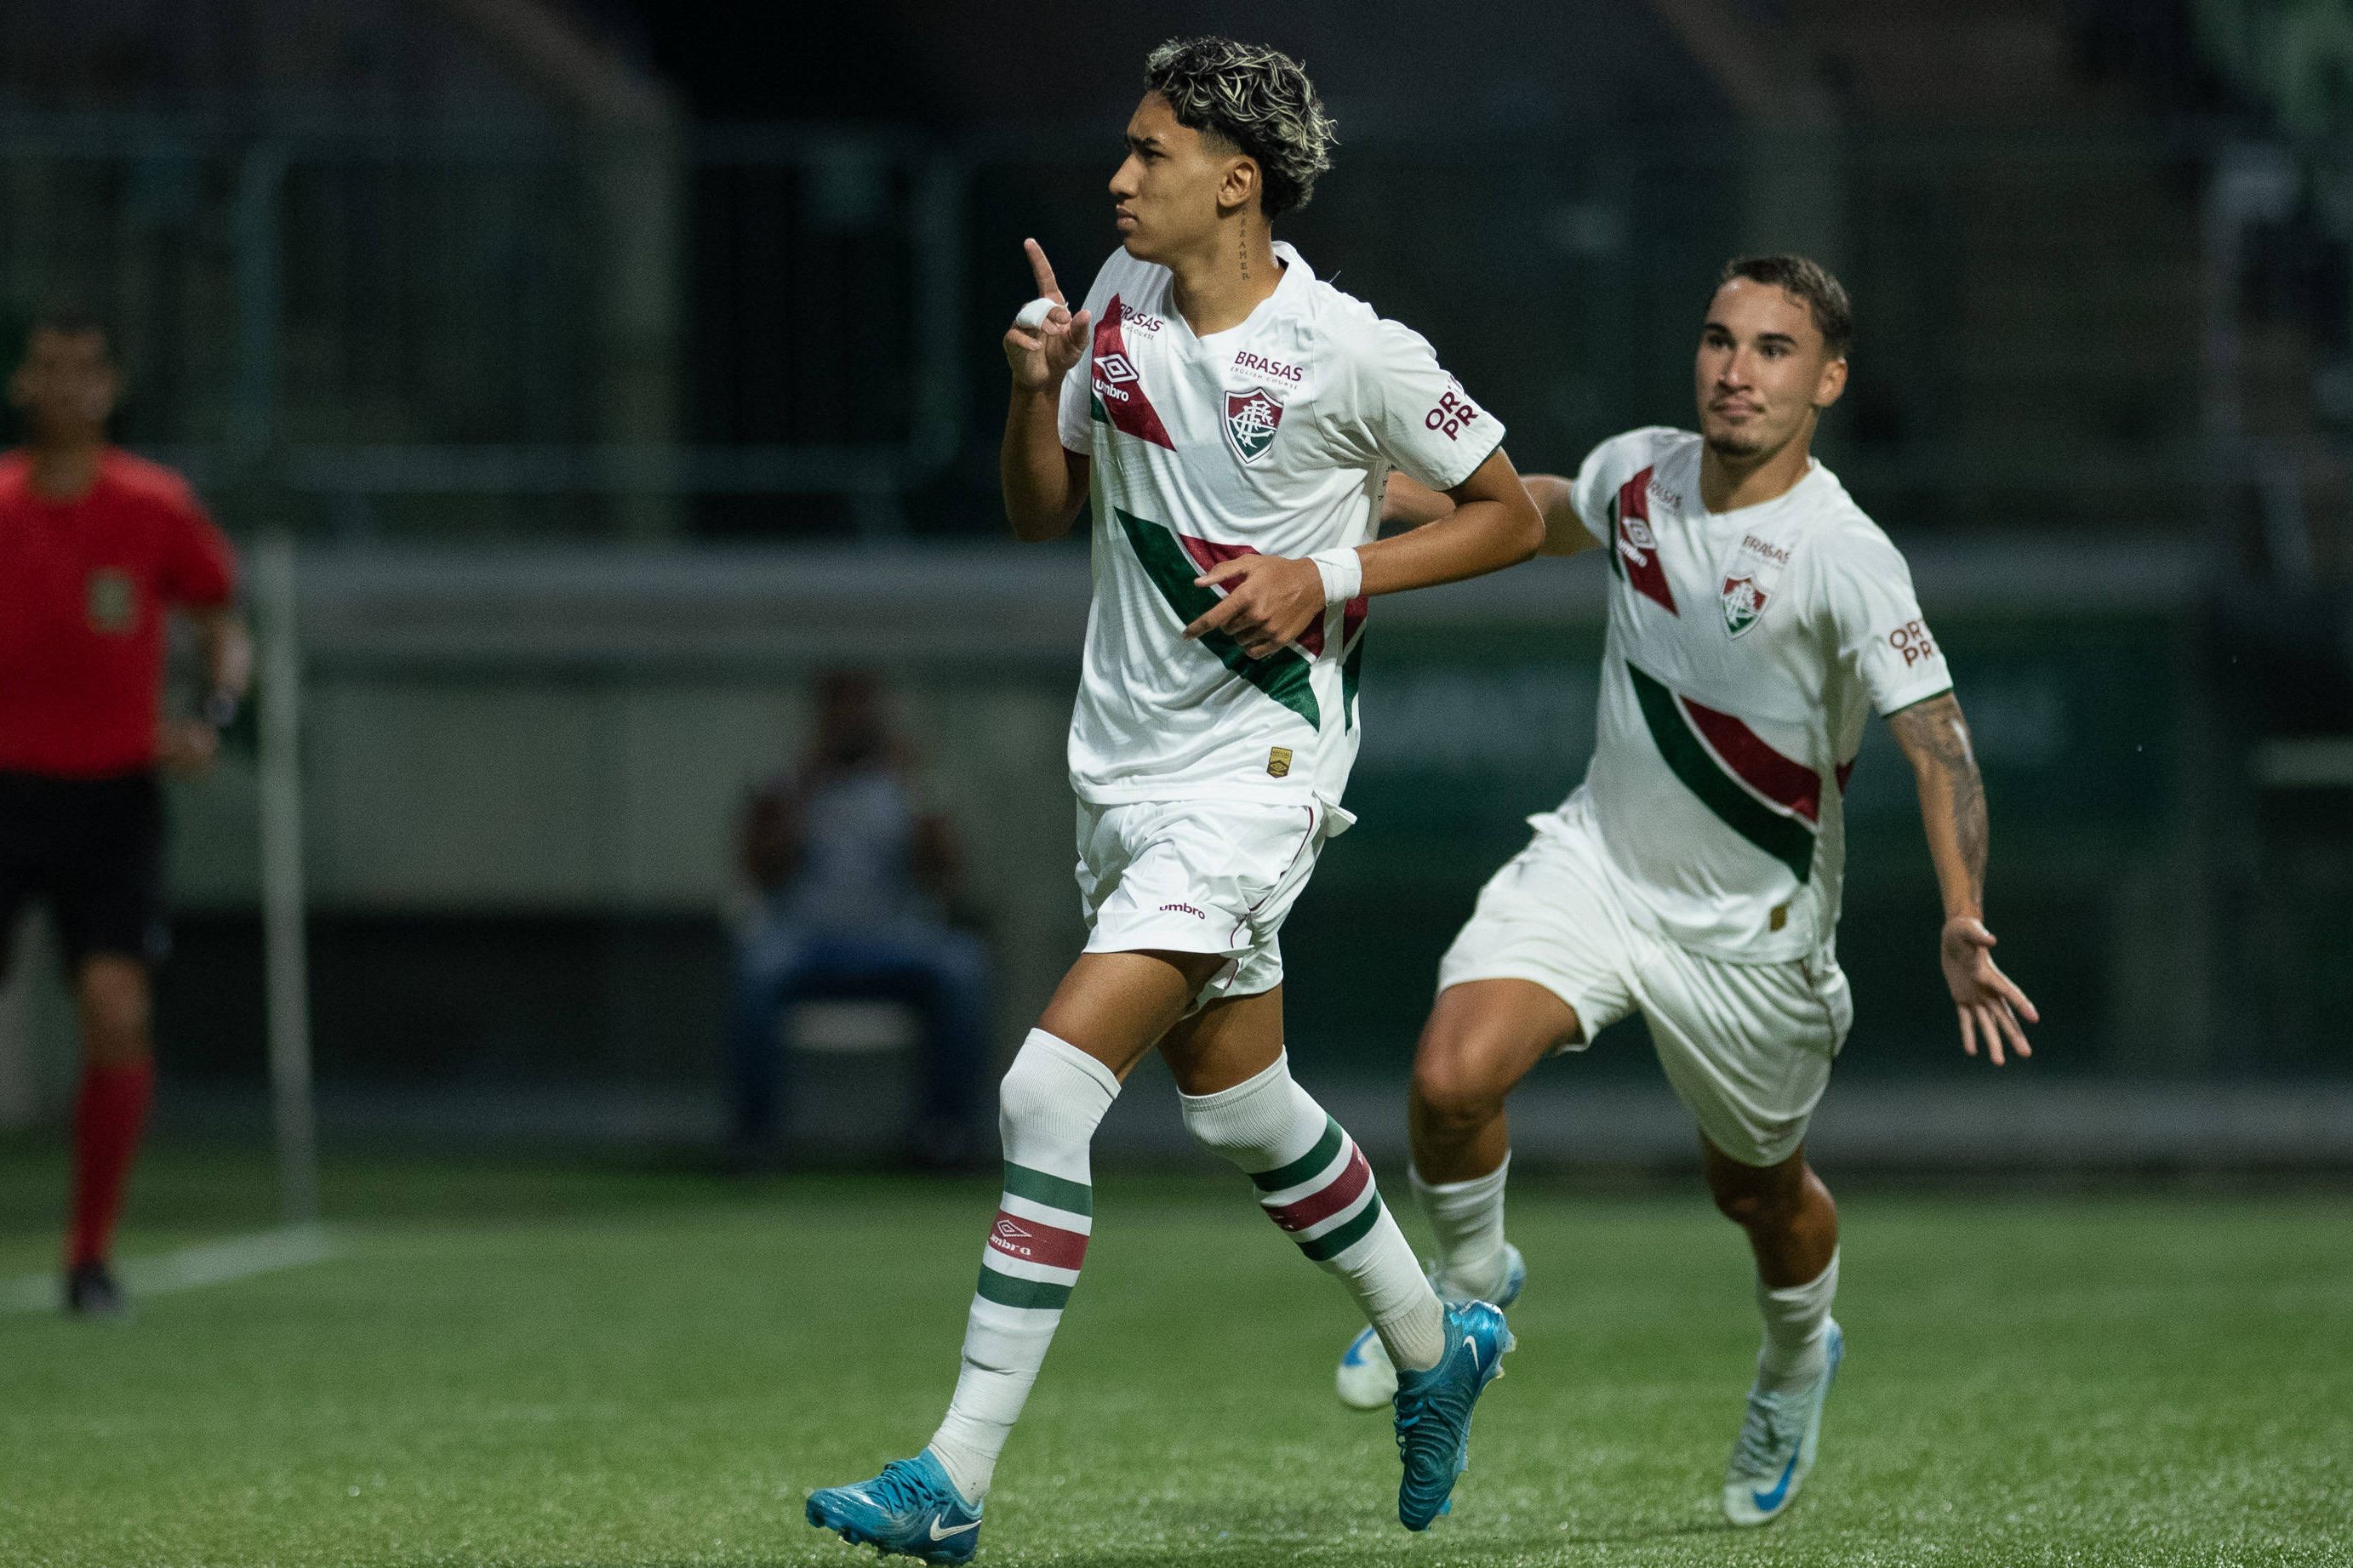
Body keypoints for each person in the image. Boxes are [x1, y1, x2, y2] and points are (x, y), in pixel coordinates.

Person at [804, 35, 1545, 1559]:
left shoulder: (1352, 349)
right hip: (1124, 767)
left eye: (1148, 154)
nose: (1117, 177)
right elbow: (1039, 515)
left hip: (1259, 770)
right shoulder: (1119, 300)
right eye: (1124, 152)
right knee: (1238, 1102)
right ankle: (1436, 1347)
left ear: (1237, 180)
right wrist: (1035, 389)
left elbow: (1511, 514)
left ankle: (952, 1474)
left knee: (1044, 1089)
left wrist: (1325, 570)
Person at [1330, 255, 2040, 1527]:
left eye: (1773, 349)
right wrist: (1380, 493)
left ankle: (1793, 1356)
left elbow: (1938, 737)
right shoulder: (1643, 470)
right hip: (1597, 865)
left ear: (1826, 379)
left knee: (1757, 1194)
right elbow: (1550, 506)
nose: (1735, 369)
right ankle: (1470, 1285)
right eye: (1720, 339)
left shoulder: (1845, 554)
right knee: (1449, 1077)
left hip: (1749, 940)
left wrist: (1957, 910)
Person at [0, 309, 250, 1318]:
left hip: (112, 796)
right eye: (49, 368)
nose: (67, 387)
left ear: (111, 386)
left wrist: (212, 712)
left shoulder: (155, 505)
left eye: (86, 369)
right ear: (23, 382)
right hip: (4, 788)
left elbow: (221, 624)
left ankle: (90, 1254)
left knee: (115, 1007)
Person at [725, 670, 990, 1170]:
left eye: (859, 708)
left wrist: (915, 789)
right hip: (807, 943)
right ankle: (753, 1140)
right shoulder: (784, 782)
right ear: (820, 717)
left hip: (893, 942)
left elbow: (949, 875)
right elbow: (759, 871)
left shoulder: (905, 782)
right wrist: (801, 791)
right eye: (838, 709)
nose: (849, 720)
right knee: (755, 968)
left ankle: (945, 1134)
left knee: (962, 965)